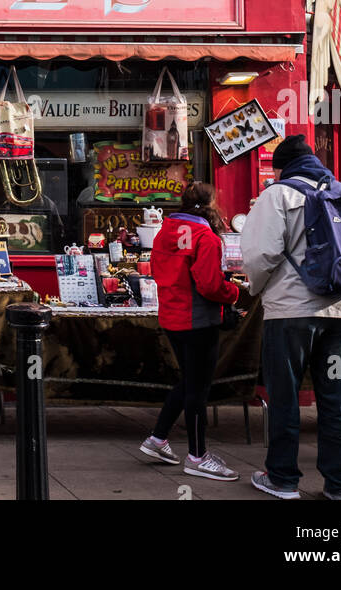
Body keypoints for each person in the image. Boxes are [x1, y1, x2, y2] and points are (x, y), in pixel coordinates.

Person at [240, 133, 341, 501]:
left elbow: (259, 256)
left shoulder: (278, 196)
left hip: (290, 315)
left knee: (284, 397)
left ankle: (283, 480)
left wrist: (256, 289)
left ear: (282, 167)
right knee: (337, 399)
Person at [138, 181, 241, 480]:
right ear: (211, 205)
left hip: (172, 317)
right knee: (198, 389)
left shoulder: (164, 232)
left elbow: (156, 271)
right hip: (198, 321)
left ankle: (157, 439)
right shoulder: (206, 237)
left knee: (188, 382)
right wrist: (232, 292)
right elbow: (210, 285)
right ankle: (197, 456)